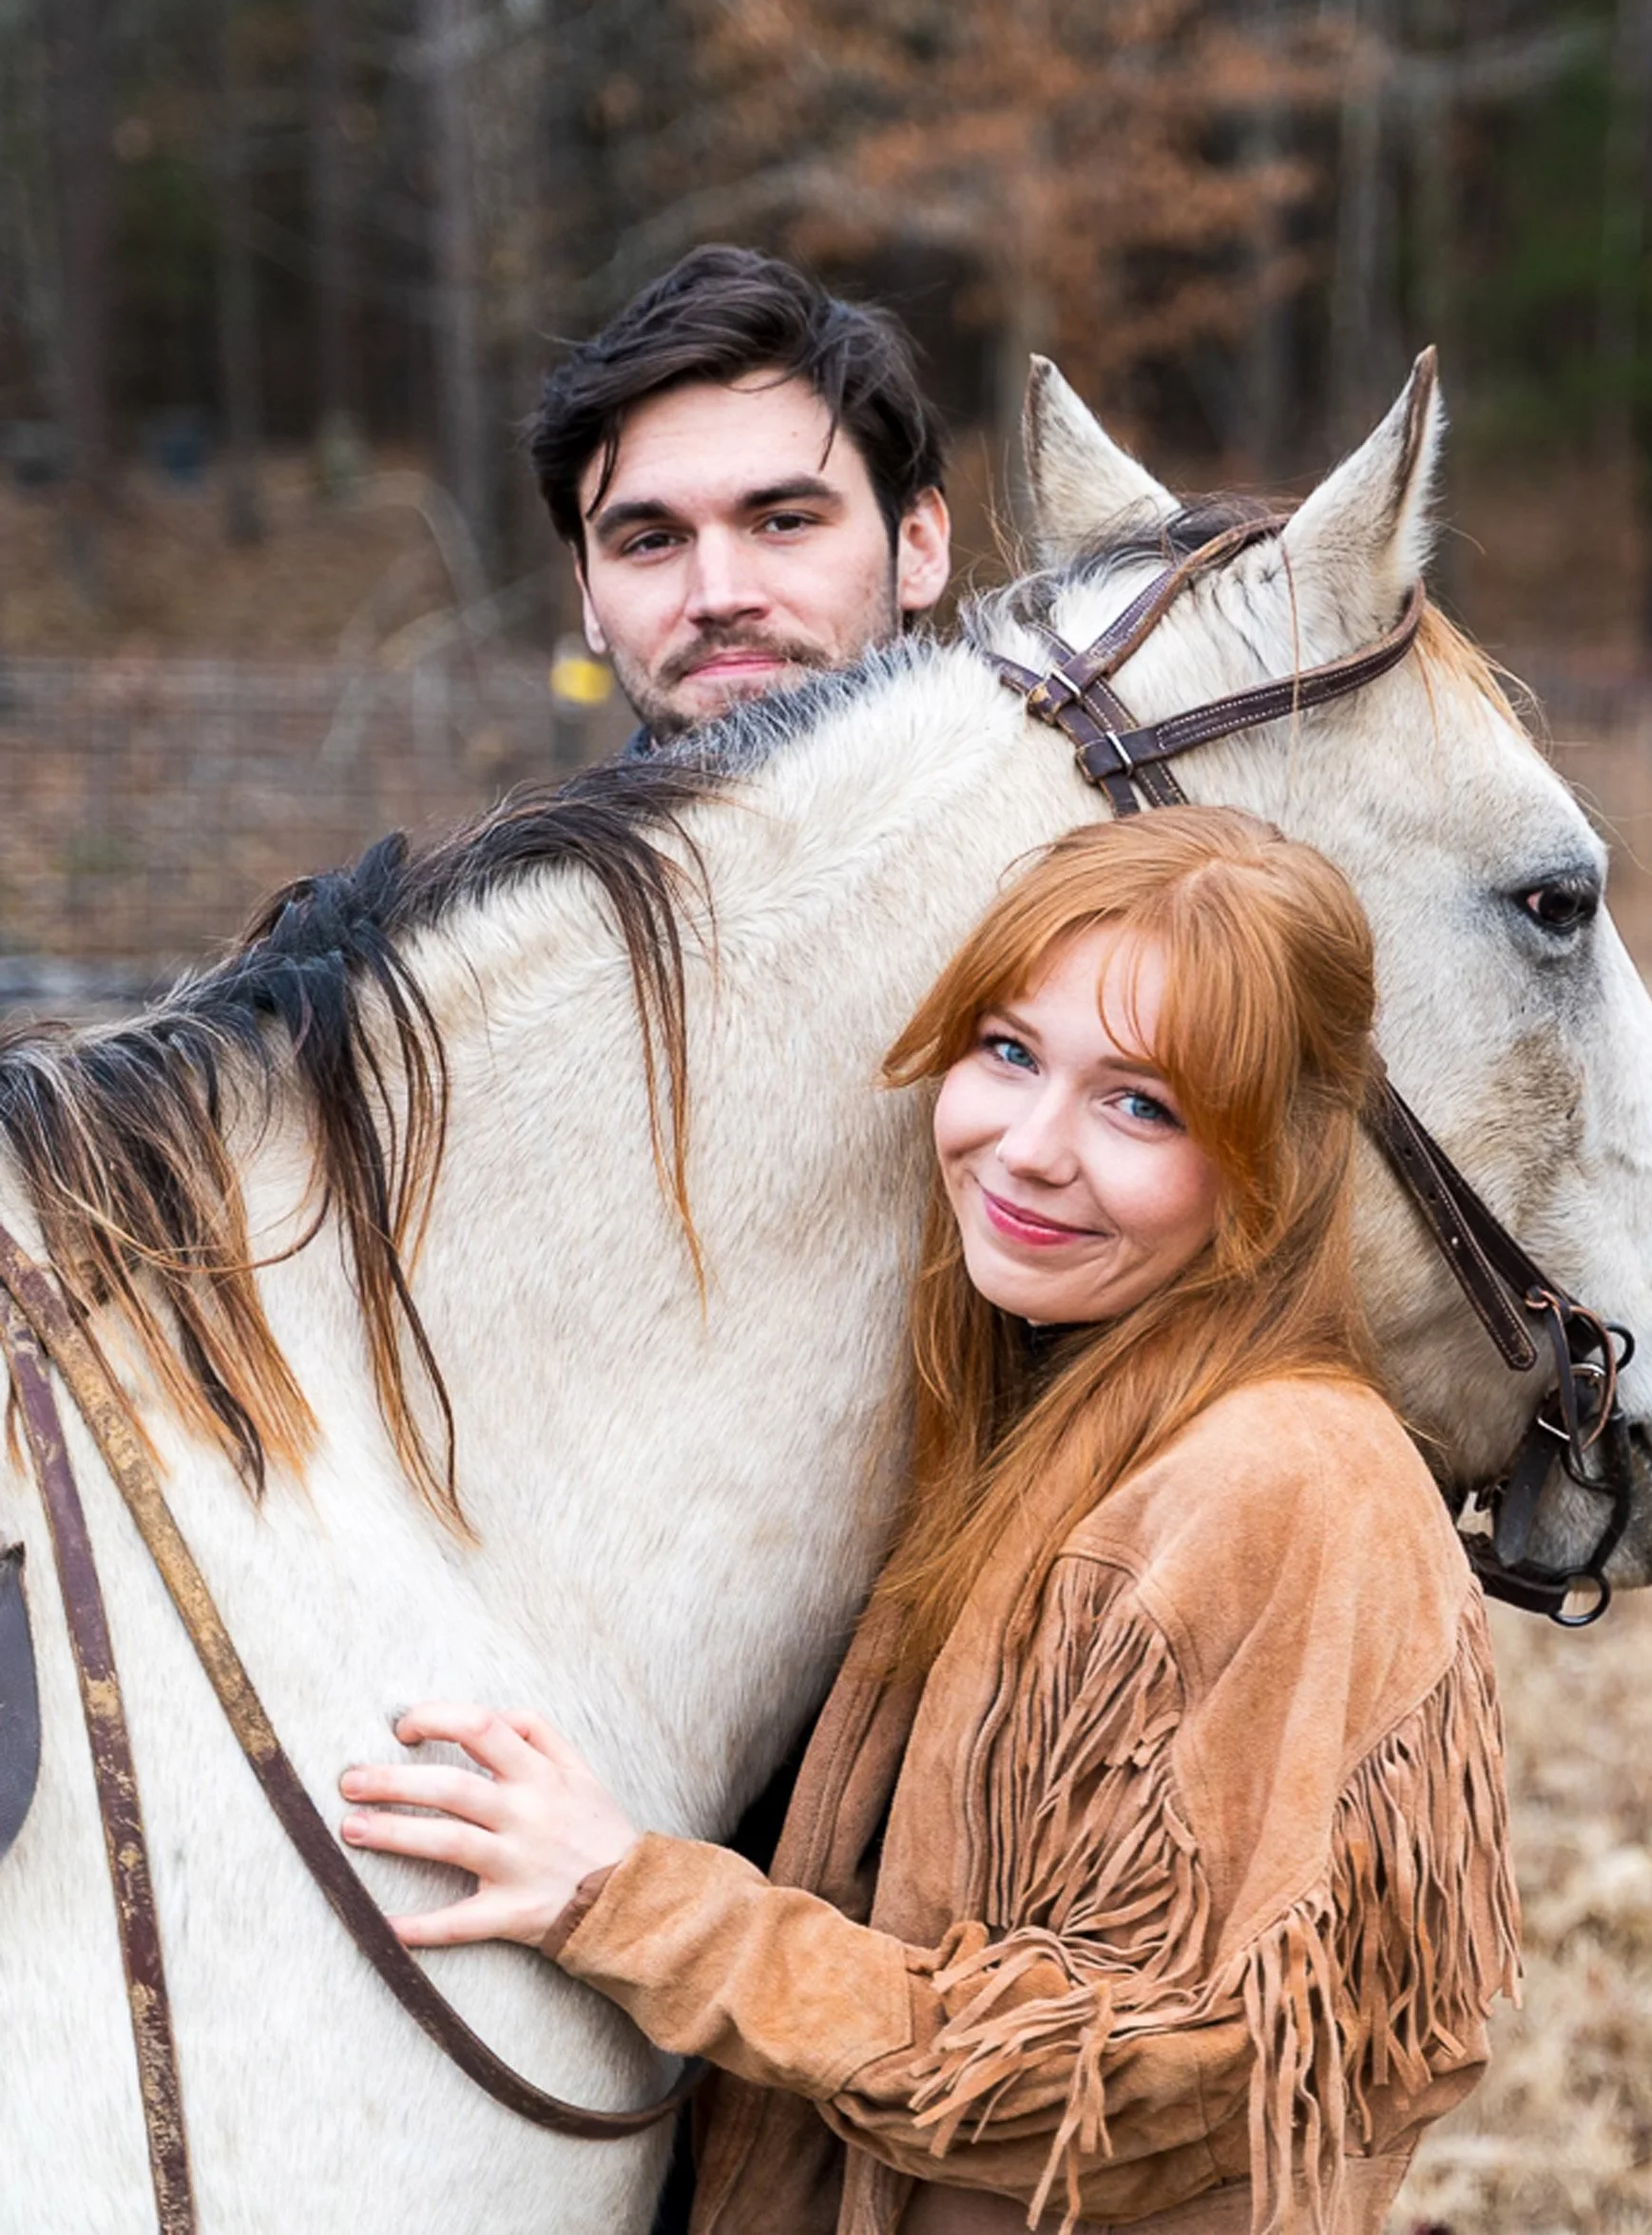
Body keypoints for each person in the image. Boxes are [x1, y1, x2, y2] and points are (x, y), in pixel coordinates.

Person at [339, 808, 1519, 2235]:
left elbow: (1136, 2070)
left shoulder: (1286, 1486)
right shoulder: (1049, 1402)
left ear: (1270, 1161)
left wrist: (637, 1903)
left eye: (1141, 1105)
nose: (1026, 1149)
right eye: (1009, 1052)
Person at [528, 246, 954, 747]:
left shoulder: (1058, 821)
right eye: (652, 542)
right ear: (588, 595)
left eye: (785, 522)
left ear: (918, 547)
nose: (720, 598)